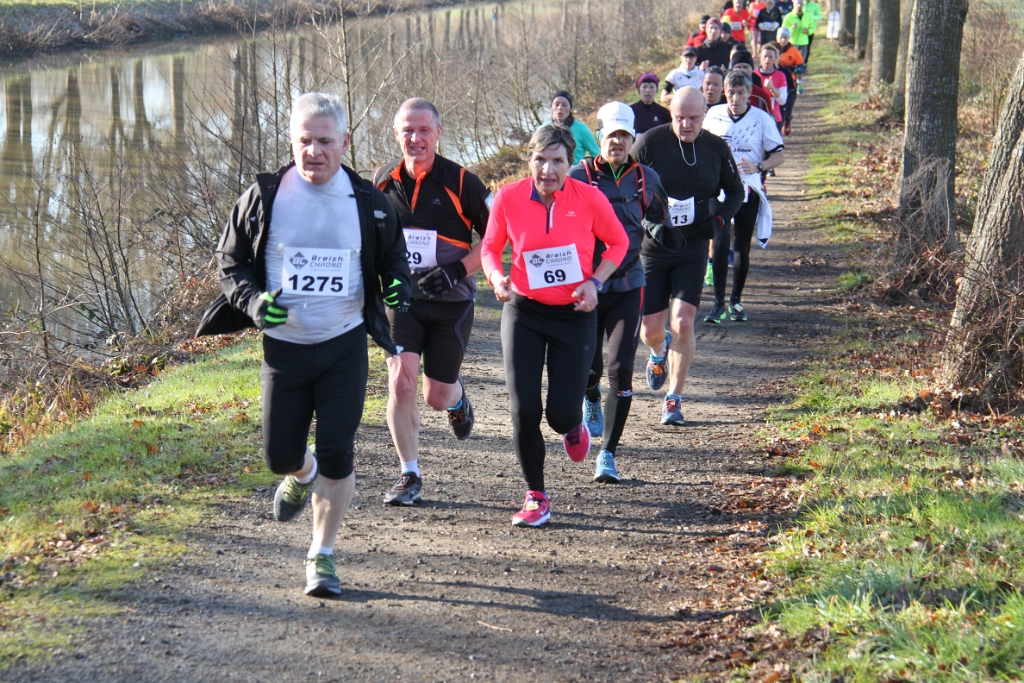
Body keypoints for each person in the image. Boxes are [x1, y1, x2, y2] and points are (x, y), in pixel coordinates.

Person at [195, 93, 411, 597]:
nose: (314, 151)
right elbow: (231, 263)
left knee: (338, 451)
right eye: (304, 141)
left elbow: (394, 259)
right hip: (285, 350)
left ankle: (322, 554)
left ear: (346, 142)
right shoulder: (265, 197)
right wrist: (253, 303)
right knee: (279, 456)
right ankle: (300, 472)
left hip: (343, 345)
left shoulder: (369, 202)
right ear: (291, 141)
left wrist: (398, 285)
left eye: (325, 141)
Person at [481, 124, 628, 527]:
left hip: (573, 314)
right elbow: (490, 247)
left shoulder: (589, 198)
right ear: (529, 159)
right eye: (540, 160)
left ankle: (573, 424)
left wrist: (595, 282)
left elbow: (619, 243)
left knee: (560, 416)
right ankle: (536, 496)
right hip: (523, 311)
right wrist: (496, 277)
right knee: (524, 408)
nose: (547, 169)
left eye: (557, 161)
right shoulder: (509, 197)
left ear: (570, 162)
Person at [372, 99, 493, 507]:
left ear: (438, 133)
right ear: (396, 134)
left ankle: (457, 400)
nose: (415, 138)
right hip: (401, 300)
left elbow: (498, 236)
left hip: (450, 303)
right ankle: (409, 474)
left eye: (424, 130)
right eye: (407, 130)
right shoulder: (382, 182)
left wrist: (458, 270)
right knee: (400, 381)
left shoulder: (462, 182)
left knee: (435, 396)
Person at [567, 102, 669, 484]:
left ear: (632, 138)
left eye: (624, 135)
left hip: (628, 282)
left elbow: (658, 216)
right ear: (599, 137)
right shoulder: (577, 177)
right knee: (589, 369)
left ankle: (607, 454)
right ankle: (591, 395)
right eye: (612, 135)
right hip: (588, 285)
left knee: (621, 369)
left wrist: (664, 232)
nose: (618, 142)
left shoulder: (646, 178)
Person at [630, 87, 744, 426]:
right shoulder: (649, 144)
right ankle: (657, 351)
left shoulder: (715, 148)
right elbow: (626, 186)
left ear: (704, 115)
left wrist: (719, 220)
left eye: (693, 118)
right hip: (654, 248)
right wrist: (645, 223)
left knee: (682, 322)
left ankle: (674, 399)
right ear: (671, 114)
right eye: (679, 118)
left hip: (693, 246)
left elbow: (736, 191)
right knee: (650, 330)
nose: (686, 124)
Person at [702, 70, 785, 323]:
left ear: (749, 93)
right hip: (718, 189)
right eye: (731, 93)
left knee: (741, 247)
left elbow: (779, 155)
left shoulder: (761, 119)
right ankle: (718, 304)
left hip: (747, 188)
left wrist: (759, 166)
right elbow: (699, 147)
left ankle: (735, 301)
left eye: (741, 93)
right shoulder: (713, 115)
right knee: (719, 241)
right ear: (724, 92)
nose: (735, 98)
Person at [537, 90, 599, 165]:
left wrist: (584, 168)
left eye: (564, 105)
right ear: (551, 107)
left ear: (570, 108)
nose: (560, 108)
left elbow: (596, 154)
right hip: (549, 171)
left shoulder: (581, 129)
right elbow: (535, 155)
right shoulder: (542, 130)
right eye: (556, 104)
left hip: (575, 171)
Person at [775, 27, 804, 133]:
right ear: (777, 38)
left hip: (790, 84)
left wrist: (794, 71)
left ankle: (787, 120)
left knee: (787, 109)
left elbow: (801, 67)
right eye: (781, 37)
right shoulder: (773, 50)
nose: (783, 40)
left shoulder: (794, 51)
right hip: (776, 84)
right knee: (777, 108)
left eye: (785, 38)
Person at [756, 43, 789, 127]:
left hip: (774, 118)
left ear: (775, 59)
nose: (767, 59)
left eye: (770, 57)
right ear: (760, 57)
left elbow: (782, 101)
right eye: (765, 56)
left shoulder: (780, 76)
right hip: (756, 118)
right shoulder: (753, 74)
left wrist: (772, 88)